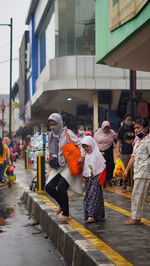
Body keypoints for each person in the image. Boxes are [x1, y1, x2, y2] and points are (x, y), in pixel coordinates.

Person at [45, 113, 83, 222]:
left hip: (67, 164)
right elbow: (49, 149)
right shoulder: (50, 135)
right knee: (49, 187)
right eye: (51, 124)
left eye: (54, 124)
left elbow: (79, 143)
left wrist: (82, 156)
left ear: (60, 123)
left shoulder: (67, 133)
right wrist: (48, 155)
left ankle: (66, 214)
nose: (52, 126)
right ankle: (63, 203)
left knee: (61, 187)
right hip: (56, 166)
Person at [122, 118, 150, 225]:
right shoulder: (137, 142)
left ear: (146, 129)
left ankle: (136, 218)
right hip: (138, 172)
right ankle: (136, 217)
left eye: (138, 128)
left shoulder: (148, 141)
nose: (136, 130)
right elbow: (132, 158)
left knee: (137, 195)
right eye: (135, 128)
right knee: (144, 196)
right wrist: (126, 171)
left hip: (144, 172)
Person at [81, 136, 106, 223]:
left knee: (93, 195)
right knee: (90, 196)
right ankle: (97, 215)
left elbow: (102, 166)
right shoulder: (87, 155)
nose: (85, 148)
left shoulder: (97, 155)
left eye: (86, 146)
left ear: (91, 144)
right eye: (84, 147)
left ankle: (91, 216)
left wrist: (101, 179)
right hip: (89, 179)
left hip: (96, 178)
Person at [94, 121, 117, 187]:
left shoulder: (112, 133)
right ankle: (102, 180)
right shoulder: (97, 133)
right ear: (102, 127)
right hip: (100, 152)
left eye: (108, 127)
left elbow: (116, 138)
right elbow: (94, 142)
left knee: (110, 166)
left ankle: (108, 179)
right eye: (105, 127)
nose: (106, 129)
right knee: (101, 166)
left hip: (109, 151)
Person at [116, 114, 135, 192]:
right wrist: (118, 152)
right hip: (125, 152)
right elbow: (119, 141)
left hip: (134, 152)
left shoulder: (134, 128)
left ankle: (133, 185)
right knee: (125, 169)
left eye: (130, 120)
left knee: (134, 169)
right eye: (128, 120)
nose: (129, 121)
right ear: (124, 121)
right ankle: (124, 185)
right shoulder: (121, 129)